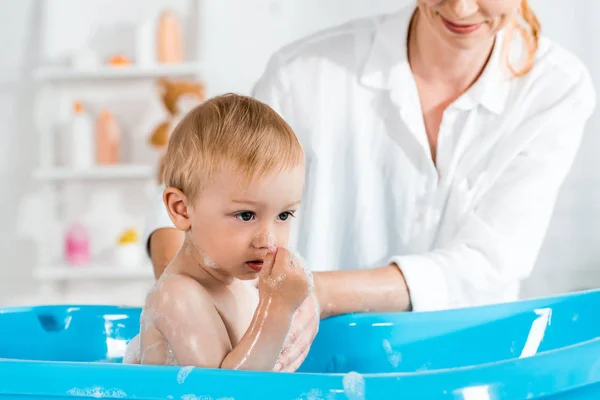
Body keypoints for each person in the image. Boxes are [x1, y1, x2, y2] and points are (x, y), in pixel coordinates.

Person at [143, 0, 597, 371]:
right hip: (318, 365)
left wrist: (307, 295)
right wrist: (193, 291)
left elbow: (488, 262)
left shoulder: (556, 88)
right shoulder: (306, 73)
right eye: (250, 216)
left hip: (467, 363)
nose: (461, 7)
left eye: (284, 214)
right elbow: (198, 191)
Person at [128, 93, 315, 371]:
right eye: (246, 215)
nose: (269, 240)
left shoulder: (240, 283)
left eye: (283, 215)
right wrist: (275, 311)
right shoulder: (177, 297)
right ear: (181, 209)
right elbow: (224, 393)